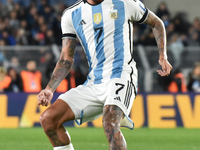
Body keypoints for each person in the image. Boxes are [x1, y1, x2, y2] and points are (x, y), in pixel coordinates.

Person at [37, 0, 172, 150]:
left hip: (122, 75)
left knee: (110, 123)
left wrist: (163, 55)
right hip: (94, 83)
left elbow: (157, 22)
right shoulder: (71, 14)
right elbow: (65, 59)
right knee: (48, 119)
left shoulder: (125, 3)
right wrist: (49, 89)